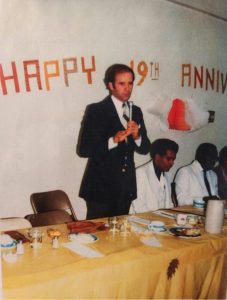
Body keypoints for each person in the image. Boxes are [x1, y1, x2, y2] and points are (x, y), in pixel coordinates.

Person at [77, 63, 151, 219]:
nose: (127, 88)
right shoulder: (96, 110)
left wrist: (137, 136)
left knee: (120, 238)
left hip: (125, 188)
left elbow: (145, 149)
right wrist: (113, 140)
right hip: (100, 188)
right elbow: (83, 149)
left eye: (130, 83)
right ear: (110, 85)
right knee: (99, 238)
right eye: (122, 83)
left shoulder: (135, 111)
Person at [130, 138, 179, 213]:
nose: (172, 163)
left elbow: (169, 204)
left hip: (161, 220)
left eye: (173, 159)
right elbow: (139, 207)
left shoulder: (168, 175)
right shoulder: (140, 173)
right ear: (157, 157)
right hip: (141, 220)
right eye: (169, 159)